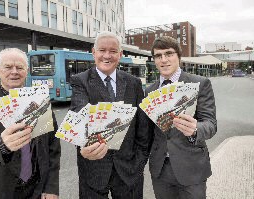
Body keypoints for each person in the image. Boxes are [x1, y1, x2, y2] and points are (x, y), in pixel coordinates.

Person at [0, 48, 61, 199]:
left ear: (27, 71)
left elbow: (52, 147)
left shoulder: (40, 99)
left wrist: (51, 187)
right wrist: (2, 144)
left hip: (38, 189)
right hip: (1, 190)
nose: (14, 71)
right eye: (8, 67)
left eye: (20, 67)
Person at [70, 31, 151, 199]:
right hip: (93, 169)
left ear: (120, 55)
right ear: (94, 52)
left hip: (130, 170)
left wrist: (140, 162)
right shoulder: (80, 81)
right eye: (102, 50)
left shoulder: (133, 83)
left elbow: (143, 128)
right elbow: (80, 114)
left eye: (113, 51)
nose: (107, 56)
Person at [146, 36, 217, 199]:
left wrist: (195, 129)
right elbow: (147, 133)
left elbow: (211, 124)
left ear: (179, 56)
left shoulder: (200, 83)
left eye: (169, 53)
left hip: (191, 168)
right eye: (158, 56)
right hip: (160, 170)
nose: (163, 60)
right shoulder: (149, 91)